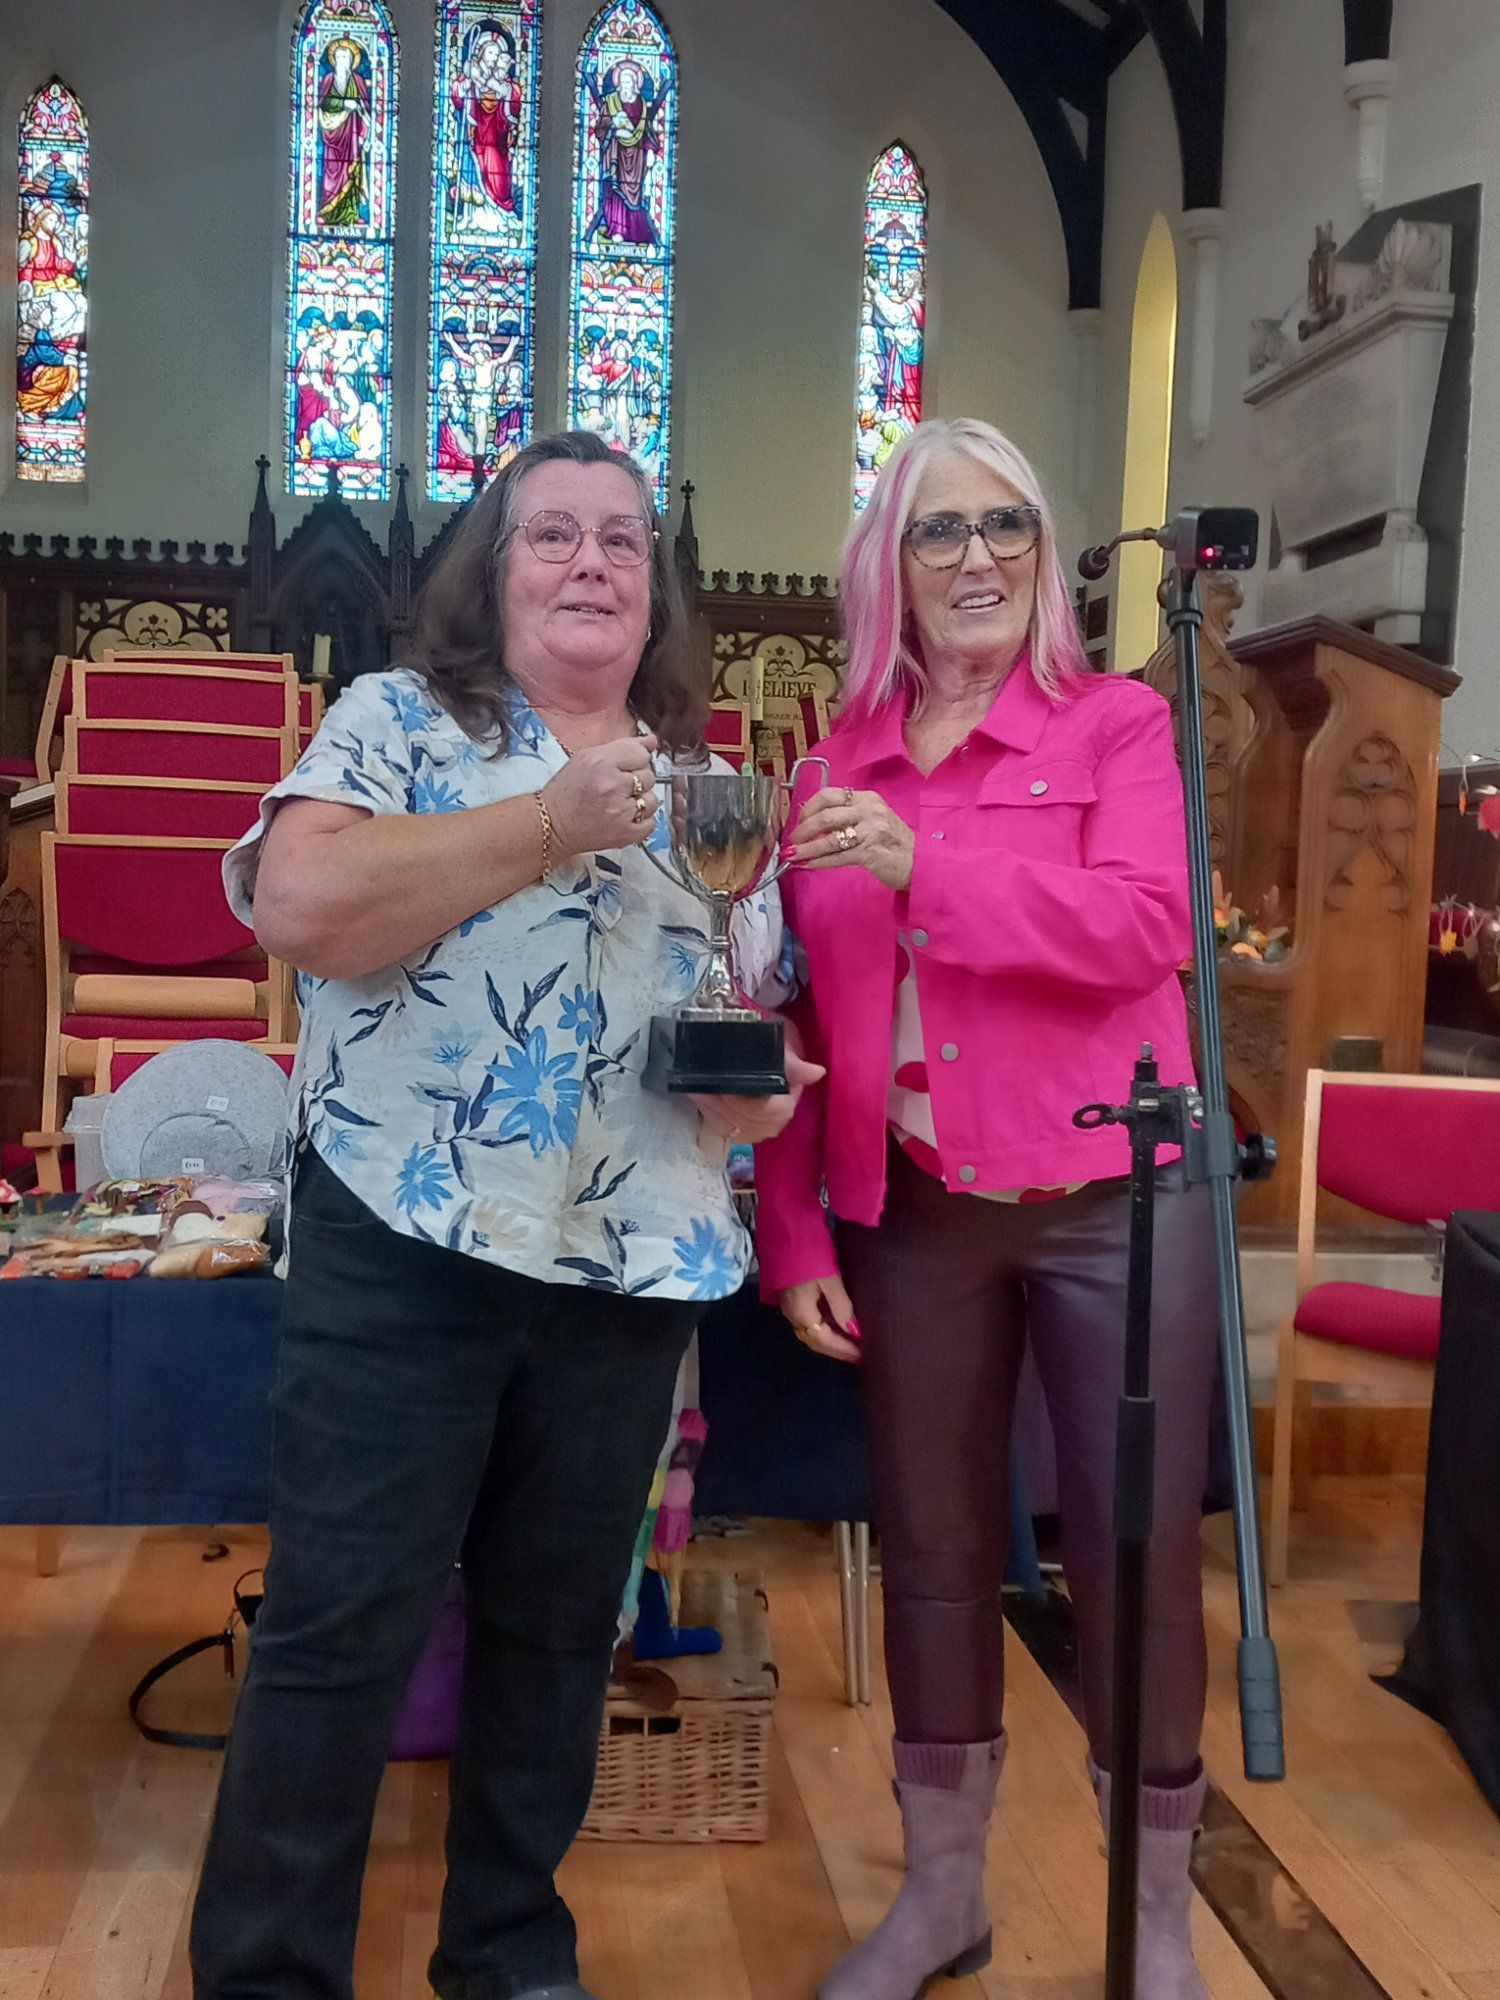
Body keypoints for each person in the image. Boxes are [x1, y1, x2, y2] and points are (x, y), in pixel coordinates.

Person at [190, 429, 817, 2000]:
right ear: (495, 569)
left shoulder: (712, 783)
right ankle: (269, 1976)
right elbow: (300, 909)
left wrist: (762, 1088)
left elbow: (745, 1006)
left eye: (623, 538)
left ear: (658, 590)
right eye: (553, 535)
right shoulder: (398, 724)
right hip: (408, 1238)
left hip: (628, 1256)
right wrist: (548, 821)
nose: (595, 560)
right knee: (344, 1632)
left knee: (552, 1639)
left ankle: (510, 1958)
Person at [756, 417, 1217, 2000]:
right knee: (938, 1550)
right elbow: (789, 1014)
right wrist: (797, 1226)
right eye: (939, 531)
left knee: (1132, 1552)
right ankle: (939, 1898)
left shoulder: (1116, 728)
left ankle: (1153, 1922)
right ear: (889, 562)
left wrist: (924, 870)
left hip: (1114, 1200)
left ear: (1044, 554)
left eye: (1006, 526)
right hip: (918, 1209)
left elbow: (1147, 928)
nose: (977, 559)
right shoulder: (832, 762)